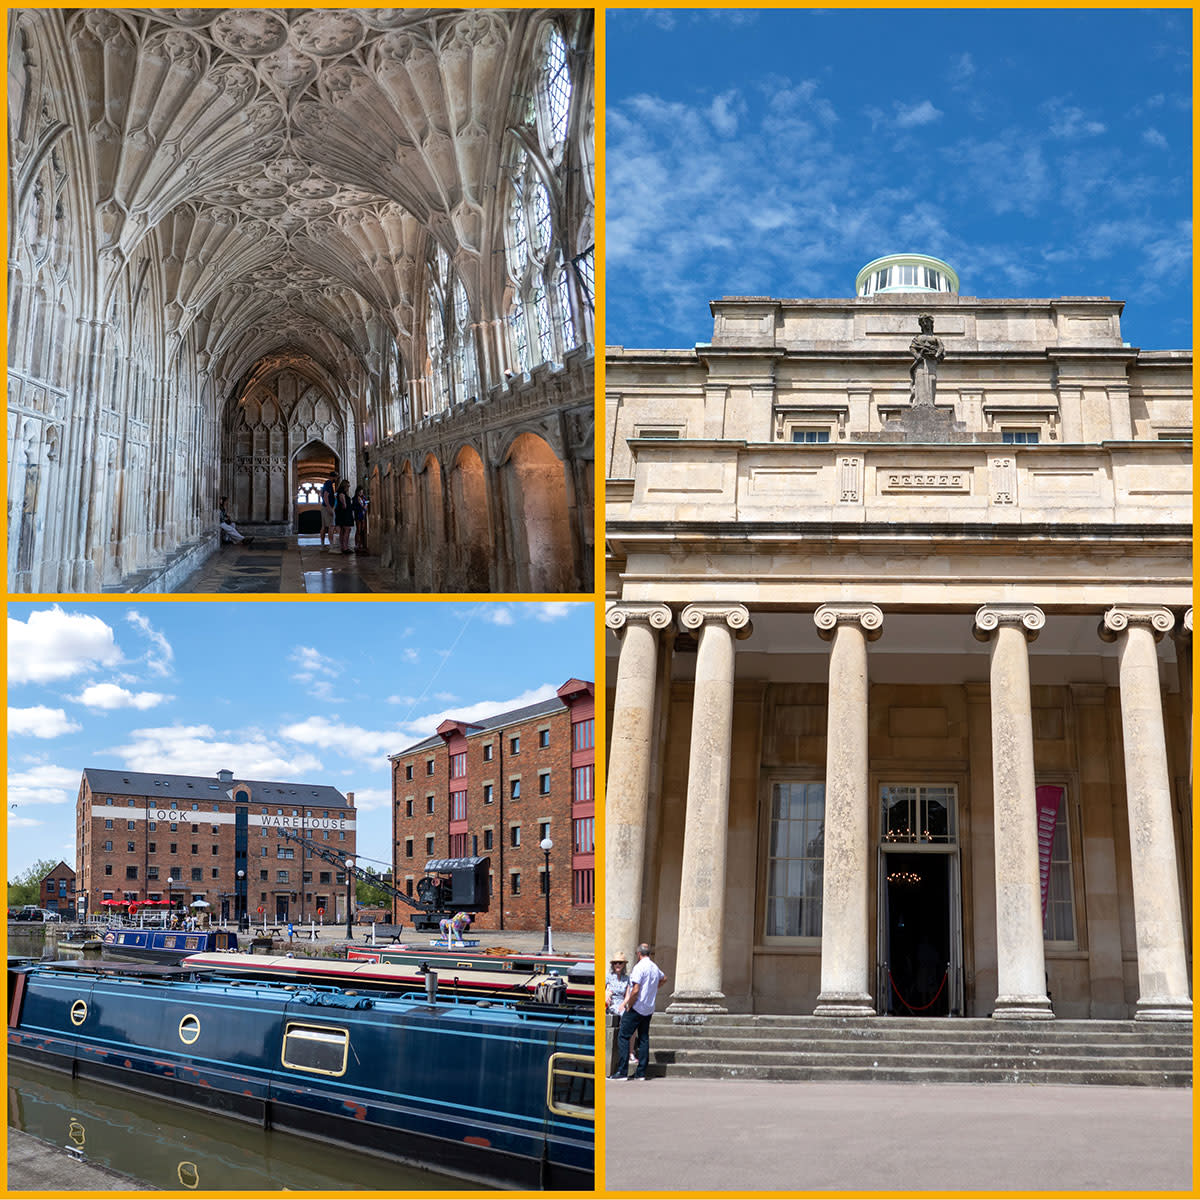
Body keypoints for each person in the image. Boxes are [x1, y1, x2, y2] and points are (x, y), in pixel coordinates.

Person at [611, 942, 665, 1081]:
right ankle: (641, 1073)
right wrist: (653, 990)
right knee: (644, 1038)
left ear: (639, 954)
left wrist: (629, 1004)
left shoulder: (639, 967)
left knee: (623, 1036)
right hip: (649, 1007)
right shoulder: (654, 967)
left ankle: (622, 1071)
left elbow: (635, 990)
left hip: (637, 1006)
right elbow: (663, 978)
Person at [334, 478, 354, 553]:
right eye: (348, 486)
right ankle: (345, 547)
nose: (348, 488)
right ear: (344, 486)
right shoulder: (342, 493)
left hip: (342, 514)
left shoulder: (340, 493)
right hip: (345, 514)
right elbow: (344, 505)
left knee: (343, 531)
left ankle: (343, 547)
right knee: (347, 530)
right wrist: (346, 506)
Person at [319, 471, 337, 550]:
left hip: (324, 507)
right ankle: (331, 545)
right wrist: (329, 507)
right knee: (331, 526)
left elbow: (322, 495)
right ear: (333, 477)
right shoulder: (329, 483)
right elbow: (326, 495)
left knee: (324, 527)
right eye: (336, 477)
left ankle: (323, 545)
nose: (336, 479)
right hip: (327, 507)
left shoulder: (326, 484)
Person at [352, 485, 369, 553]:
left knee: (362, 529)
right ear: (357, 492)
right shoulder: (355, 498)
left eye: (362, 492)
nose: (361, 493)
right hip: (358, 515)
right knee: (358, 529)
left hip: (363, 515)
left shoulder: (363, 497)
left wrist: (365, 505)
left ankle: (362, 543)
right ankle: (357, 544)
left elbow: (366, 503)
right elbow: (354, 507)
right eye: (360, 492)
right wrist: (361, 505)